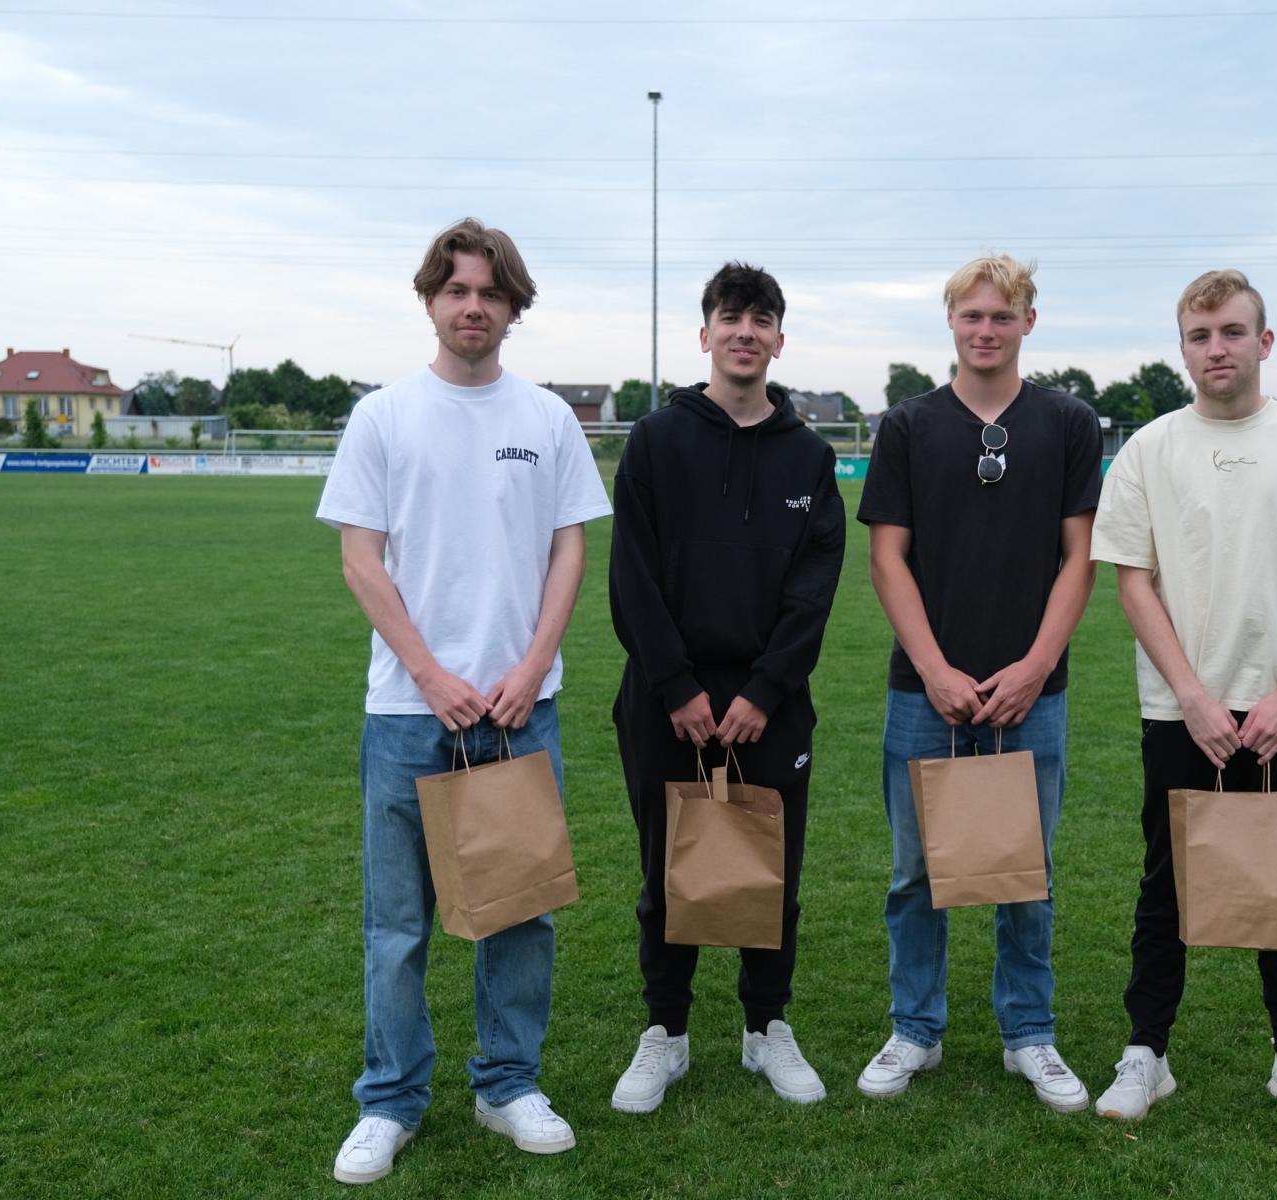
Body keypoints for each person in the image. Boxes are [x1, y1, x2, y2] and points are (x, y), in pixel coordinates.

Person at [316, 218, 612, 1184]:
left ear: (514, 306)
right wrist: (432, 676)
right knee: (398, 926)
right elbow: (361, 562)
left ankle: (507, 1086)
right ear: (430, 300)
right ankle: (390, 1099)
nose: (472, 306)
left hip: (521, 711)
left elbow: (570, 547)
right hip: (410, 714)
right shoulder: (382, 417)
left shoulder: (549, 419)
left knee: (520, 914)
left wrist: (533, 665)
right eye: (456, 290)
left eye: (490, 292)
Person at [1088, 269, 1277, 1137]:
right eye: (1200, 335)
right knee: (1165, 884)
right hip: (1184, 711)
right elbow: (1132, 582)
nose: (1217, 349)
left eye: (1233, 332)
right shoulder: (1149, 450)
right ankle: (1147, 1052)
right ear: (1182, 348)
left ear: (1264, 342)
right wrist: (1193, 696)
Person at [854, 254, 1102, 1111]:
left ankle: (1029, 1034)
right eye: (972, 315)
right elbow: (887, 559)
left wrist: (1035, 666)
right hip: (924, 692)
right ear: (951, 322)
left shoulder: (1068, 422)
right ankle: (915, 1029)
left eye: (1002, 315)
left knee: (1025, 873)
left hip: (1034, 694)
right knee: (915, 874)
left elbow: (1080, 557)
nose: (986, 330)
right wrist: (934, 670)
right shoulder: (908, 426)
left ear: (1029, 321)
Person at [607, 262, 846, 1113]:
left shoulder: (811, 457)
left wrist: (766, 690)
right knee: (666, 868)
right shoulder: (654, 442)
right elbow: (631, 575)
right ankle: (665, 1033)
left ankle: (765, 1027)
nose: (746, 331)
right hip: (665, 700)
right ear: (705, 334)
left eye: (762, 319)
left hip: (768, 706)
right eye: (731, 317)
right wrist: (675, 686)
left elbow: (814, 590)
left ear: (779, 340)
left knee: (769, 870)